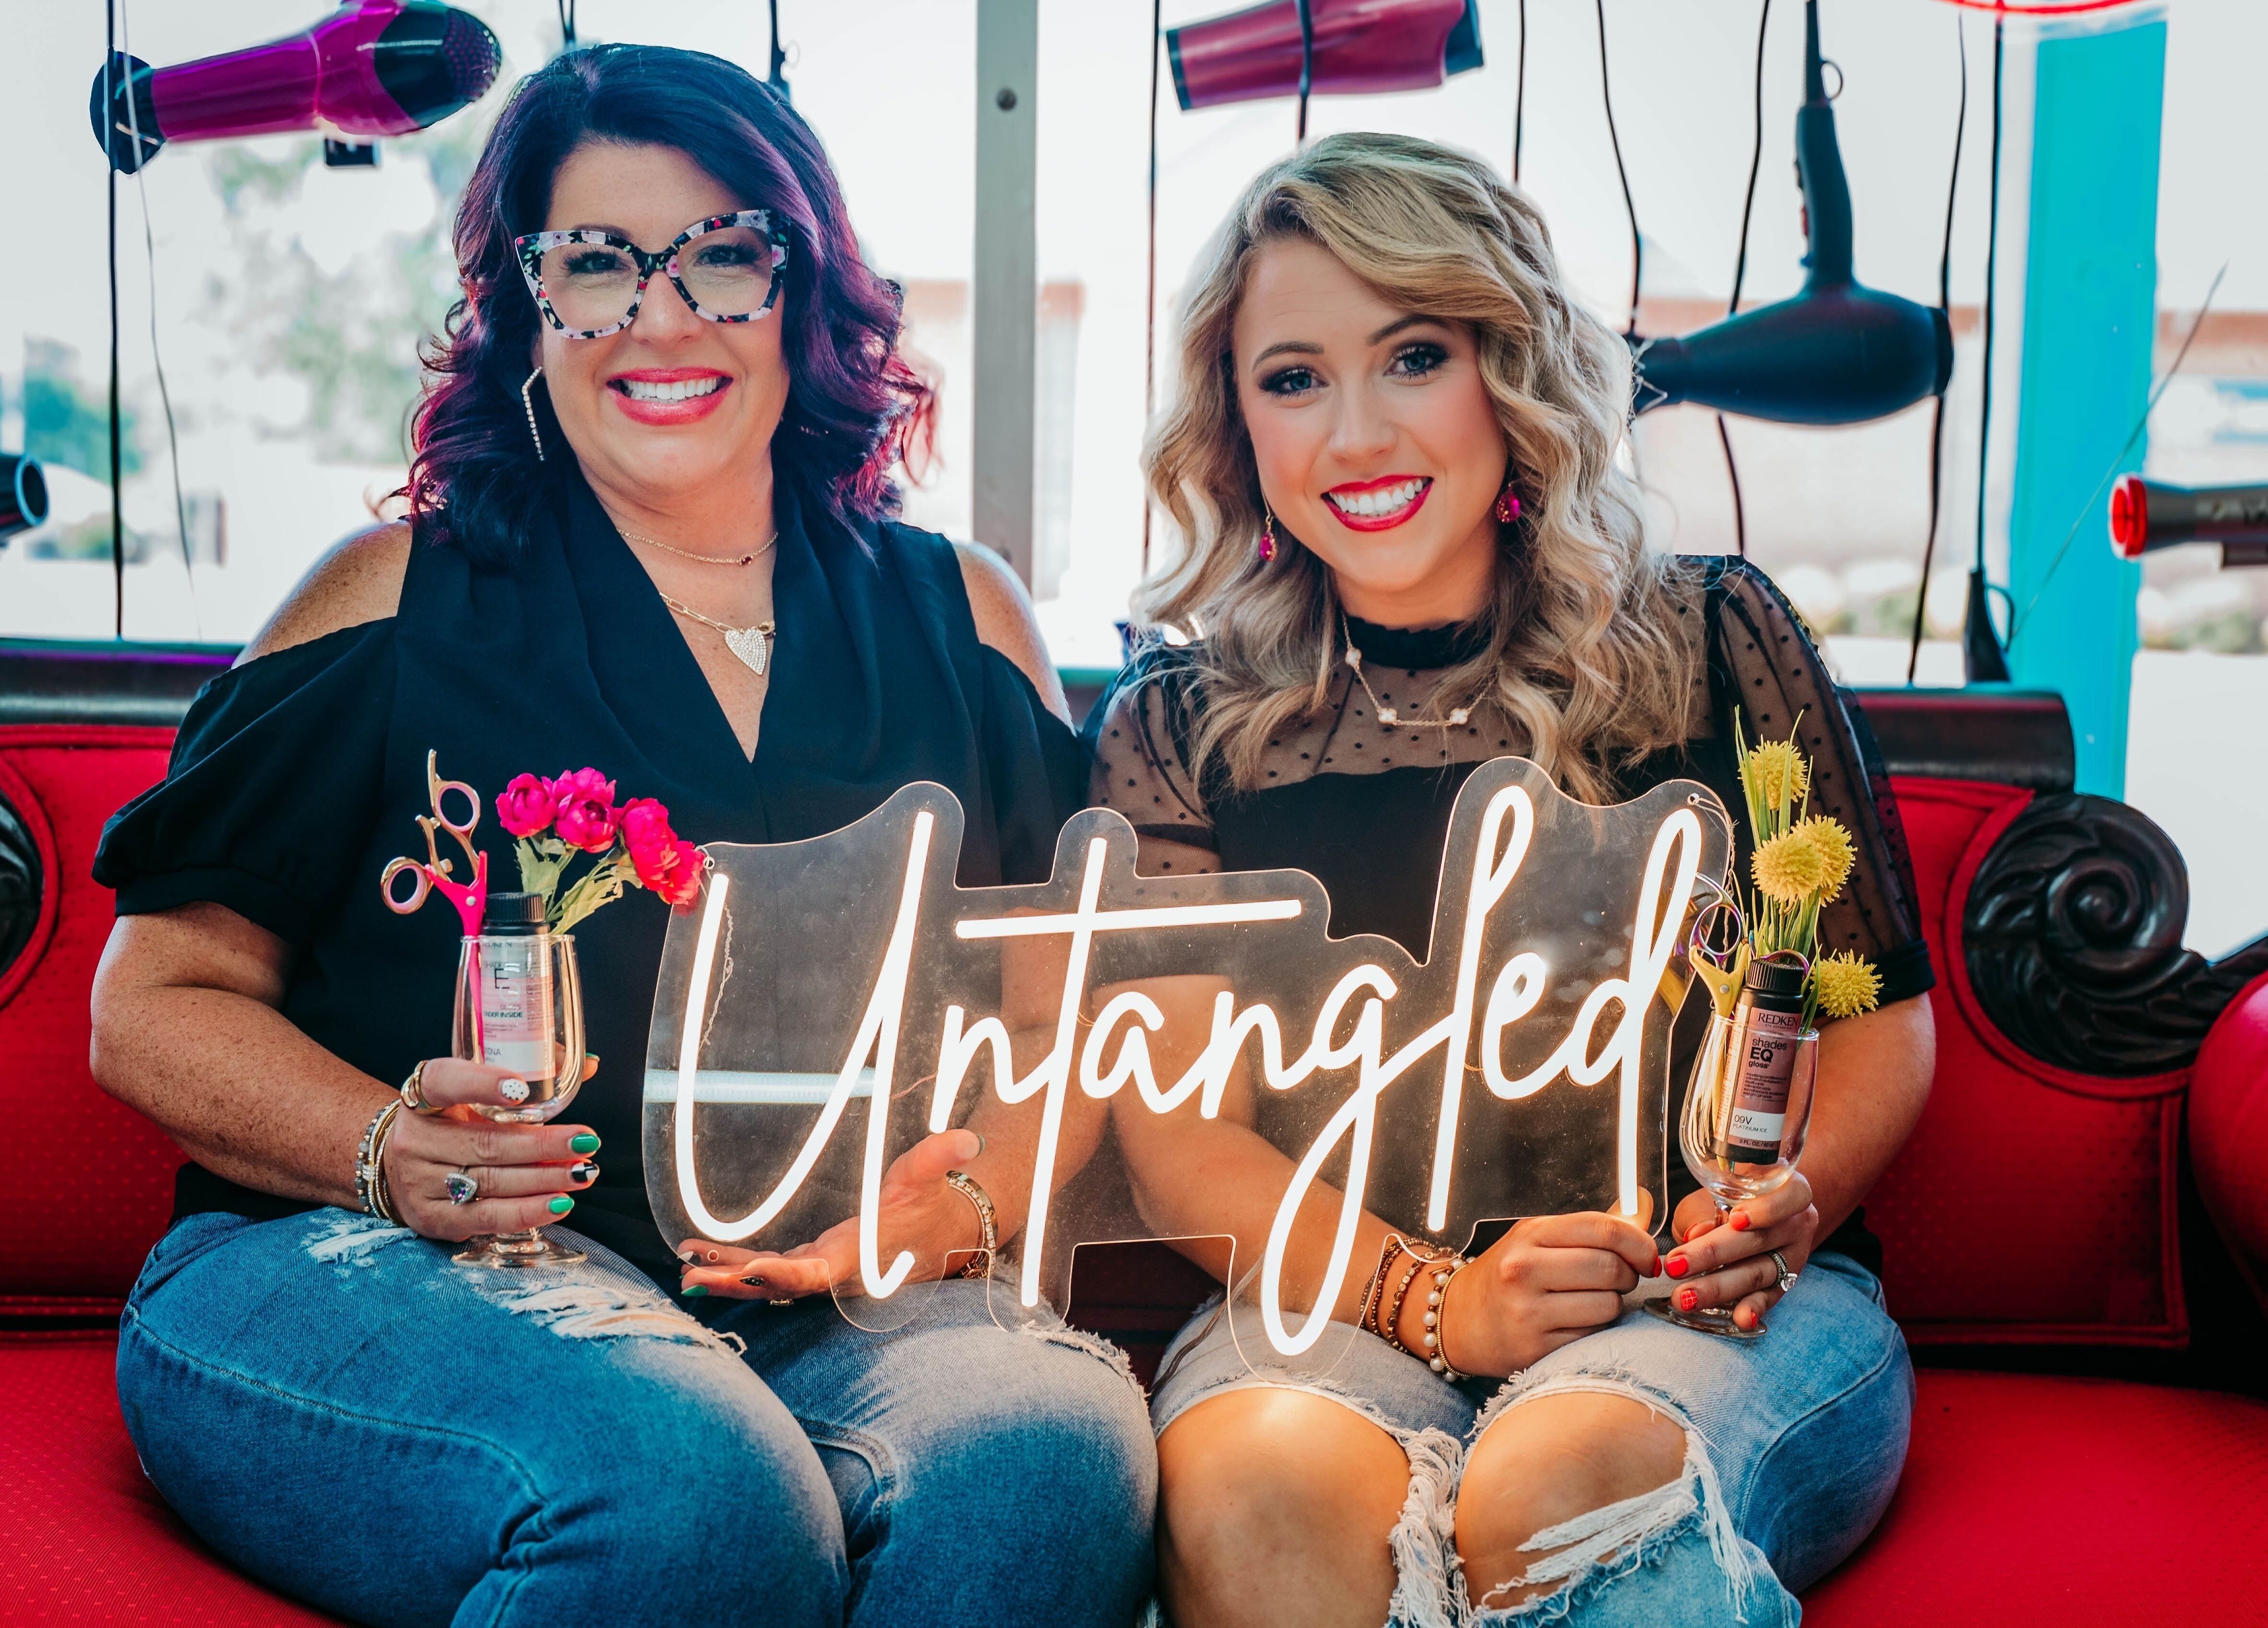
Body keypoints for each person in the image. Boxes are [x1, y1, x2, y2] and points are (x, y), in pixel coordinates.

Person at [90, 45, 1152, 1628]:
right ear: (526, 308)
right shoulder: (388, 598)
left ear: (807, 288)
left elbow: (1062, 1027)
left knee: (1050, 1454)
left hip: (825, 1300)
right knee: (695, 1497)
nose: (662, 316)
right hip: (357, 1264)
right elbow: (152, 999)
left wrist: (974, 1198)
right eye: (596, 263)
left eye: (724, 253)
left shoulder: (965, 620)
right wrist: (392, 1148)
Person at [1085, 133, 1935, 1628]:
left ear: (1512, 365)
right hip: (1339, 1303)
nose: (1355, 433)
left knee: (1561, 1471)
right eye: (1292, 377)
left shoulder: (1712, 638)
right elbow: (1174, 1140)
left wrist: (1789, 1207)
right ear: (1238, 426)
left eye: (1412, 355)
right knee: (1251, 1486)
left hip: (1704, 1303)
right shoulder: (1181, 725)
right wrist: (1436, 1298)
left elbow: (1878, 1021)